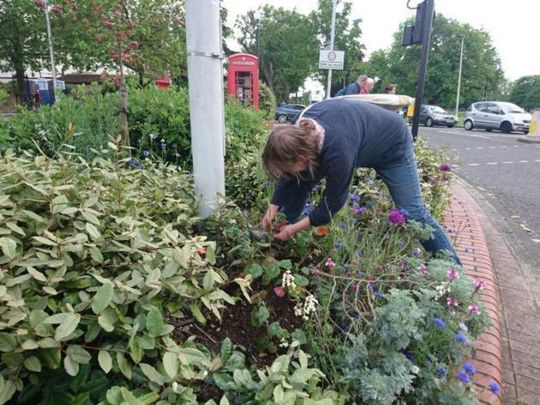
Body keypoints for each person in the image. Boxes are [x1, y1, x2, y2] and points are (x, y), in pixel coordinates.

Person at [261, 97, 461, 264]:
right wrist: (272, 211)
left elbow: (331, 204)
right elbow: (290, 179)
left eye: (287, 168)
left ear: (303, 157)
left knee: (413, 214)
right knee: (299, 179)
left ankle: (453, 271)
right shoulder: (299, 128)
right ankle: (277, 239)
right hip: (358, 138)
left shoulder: (338, 151)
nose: (286, 173)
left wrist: (293, 230)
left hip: (392, 148)